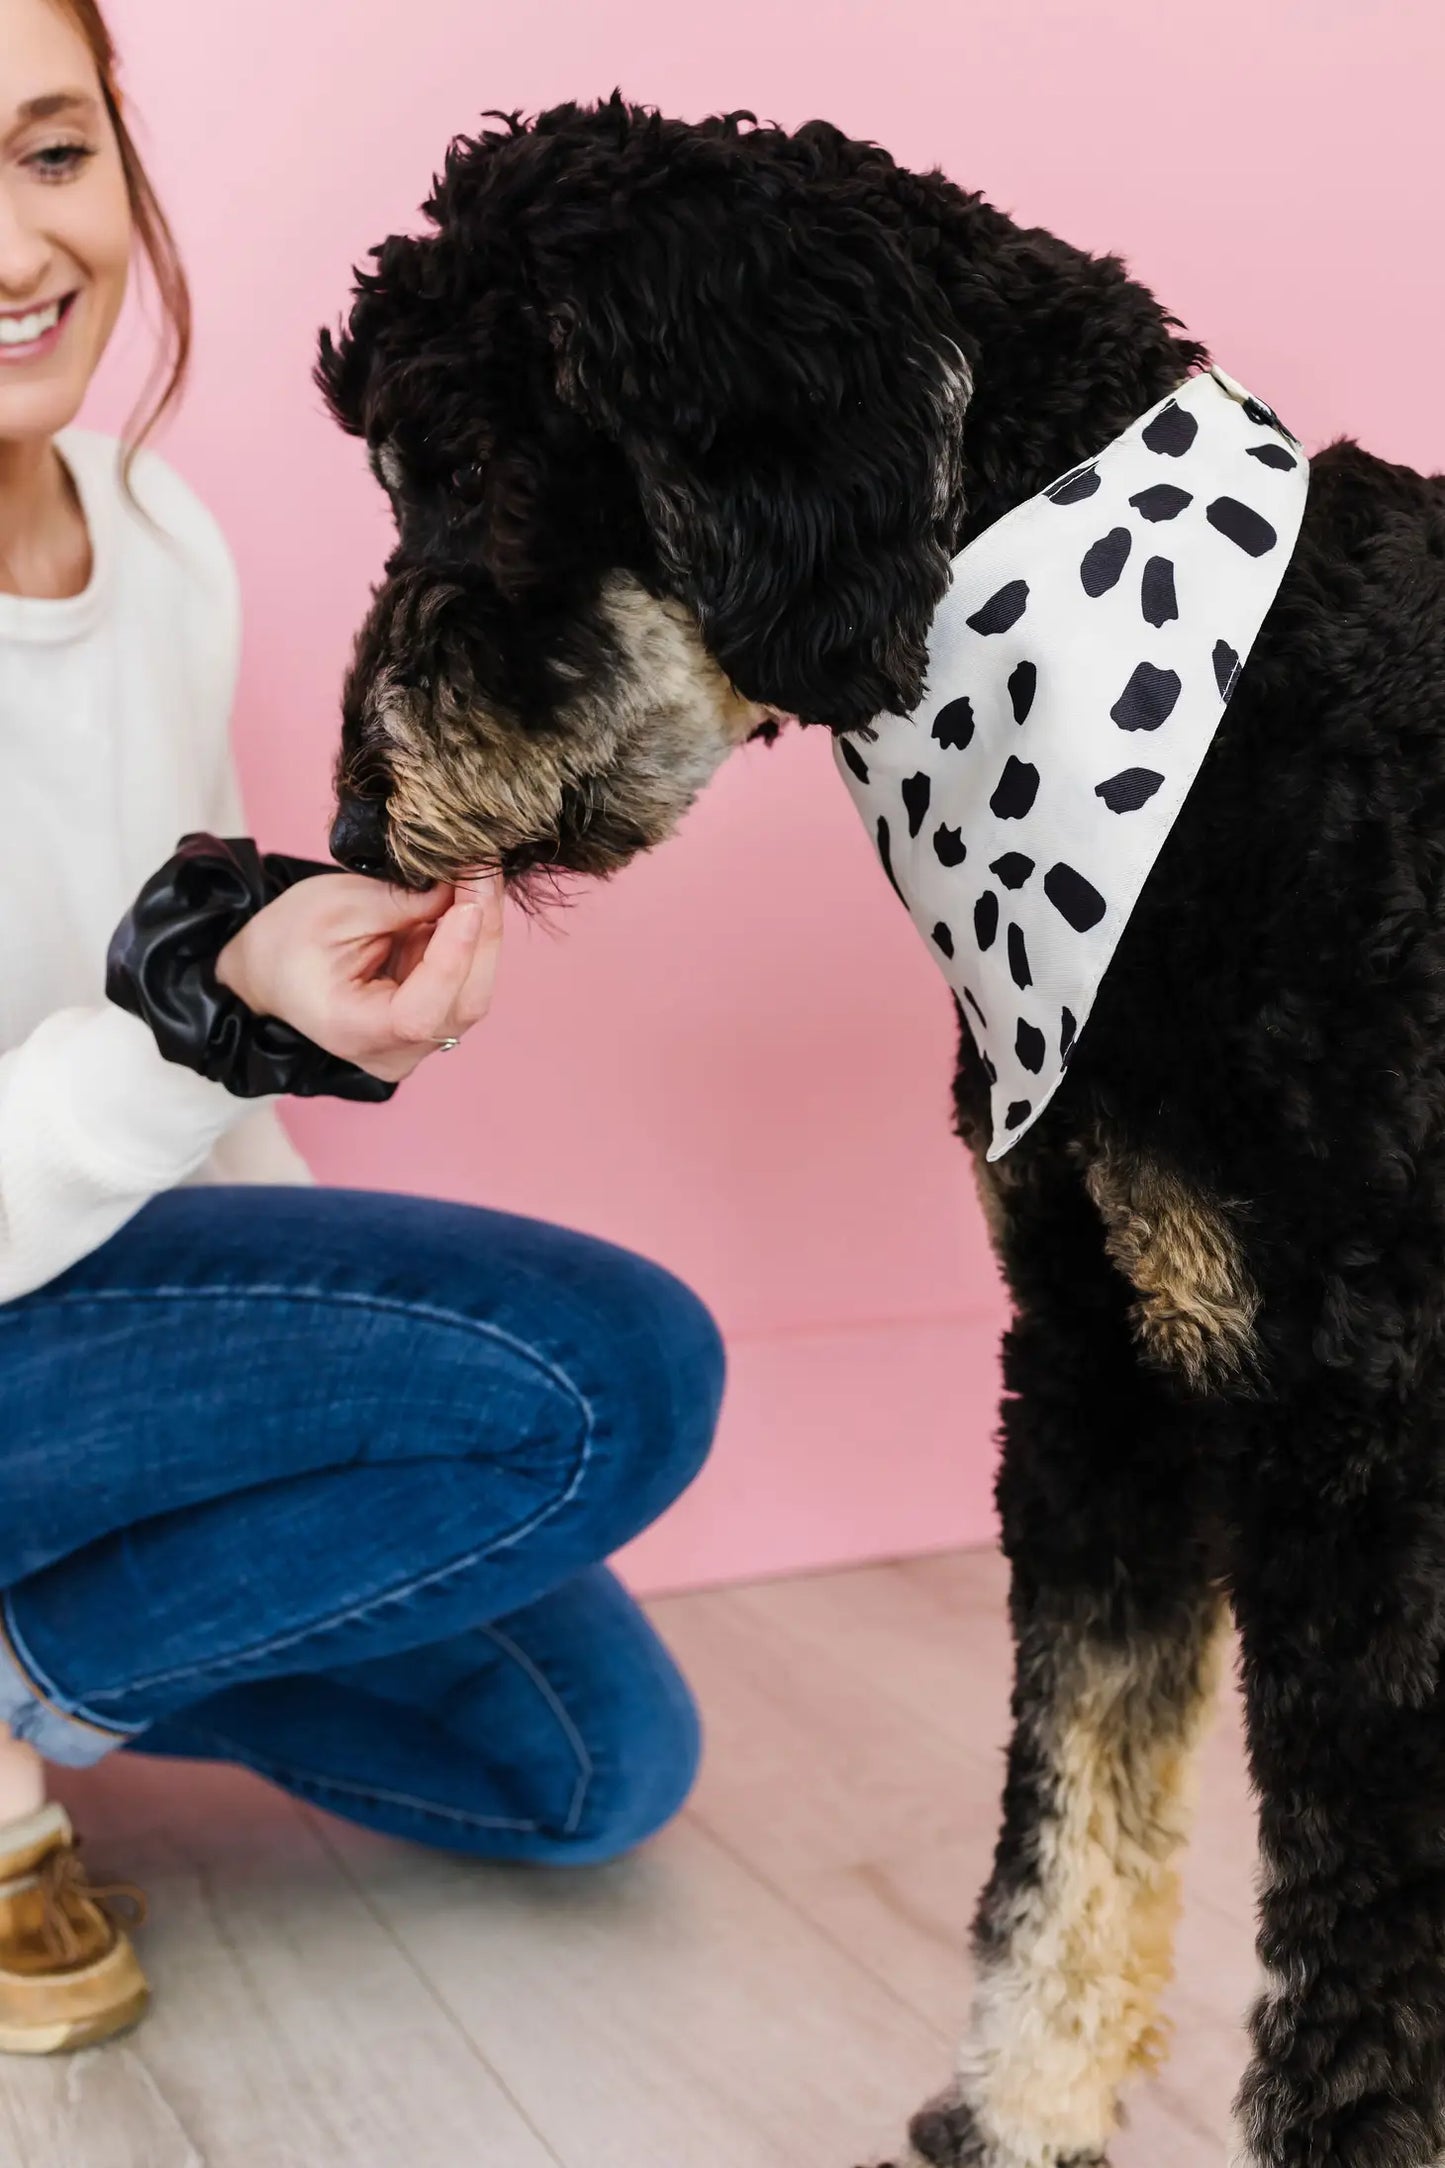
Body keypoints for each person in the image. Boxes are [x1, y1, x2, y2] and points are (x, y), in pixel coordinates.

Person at [0, 0, 724, 2057]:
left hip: (83, 1309)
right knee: (617, 1371)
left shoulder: (160, 545)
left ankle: (31, 1656)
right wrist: (215, 1030)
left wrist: (298, 1031)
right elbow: (164, 1042)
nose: (18, 244)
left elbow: (175, 1042)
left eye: (54, 153)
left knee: (592, 1767)